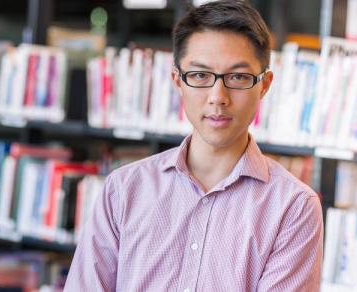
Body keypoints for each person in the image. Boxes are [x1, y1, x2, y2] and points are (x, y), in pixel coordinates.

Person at [64, 1, 323, 291]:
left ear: (264, 85)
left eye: (238, 77)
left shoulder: (293, 207)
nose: (218, 97)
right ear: (177, 80)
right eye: (200, 75)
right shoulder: (123, 190)